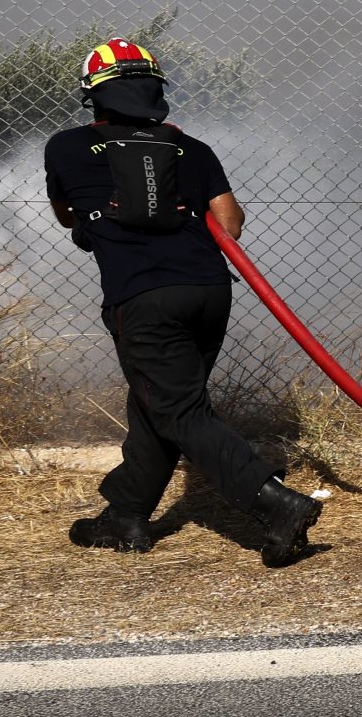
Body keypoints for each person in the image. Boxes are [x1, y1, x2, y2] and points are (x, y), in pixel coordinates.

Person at [43, 39, 321, 567]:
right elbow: (229, 223)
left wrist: (96, 218)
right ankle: (125, 516)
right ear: (155, 91)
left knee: (177, 408)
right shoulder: (192, 148)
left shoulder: (67, 147)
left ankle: (275, 502)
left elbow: (65, 215)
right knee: (160, 404)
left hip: (144, 296)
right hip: (208, 291)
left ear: (94, 97)